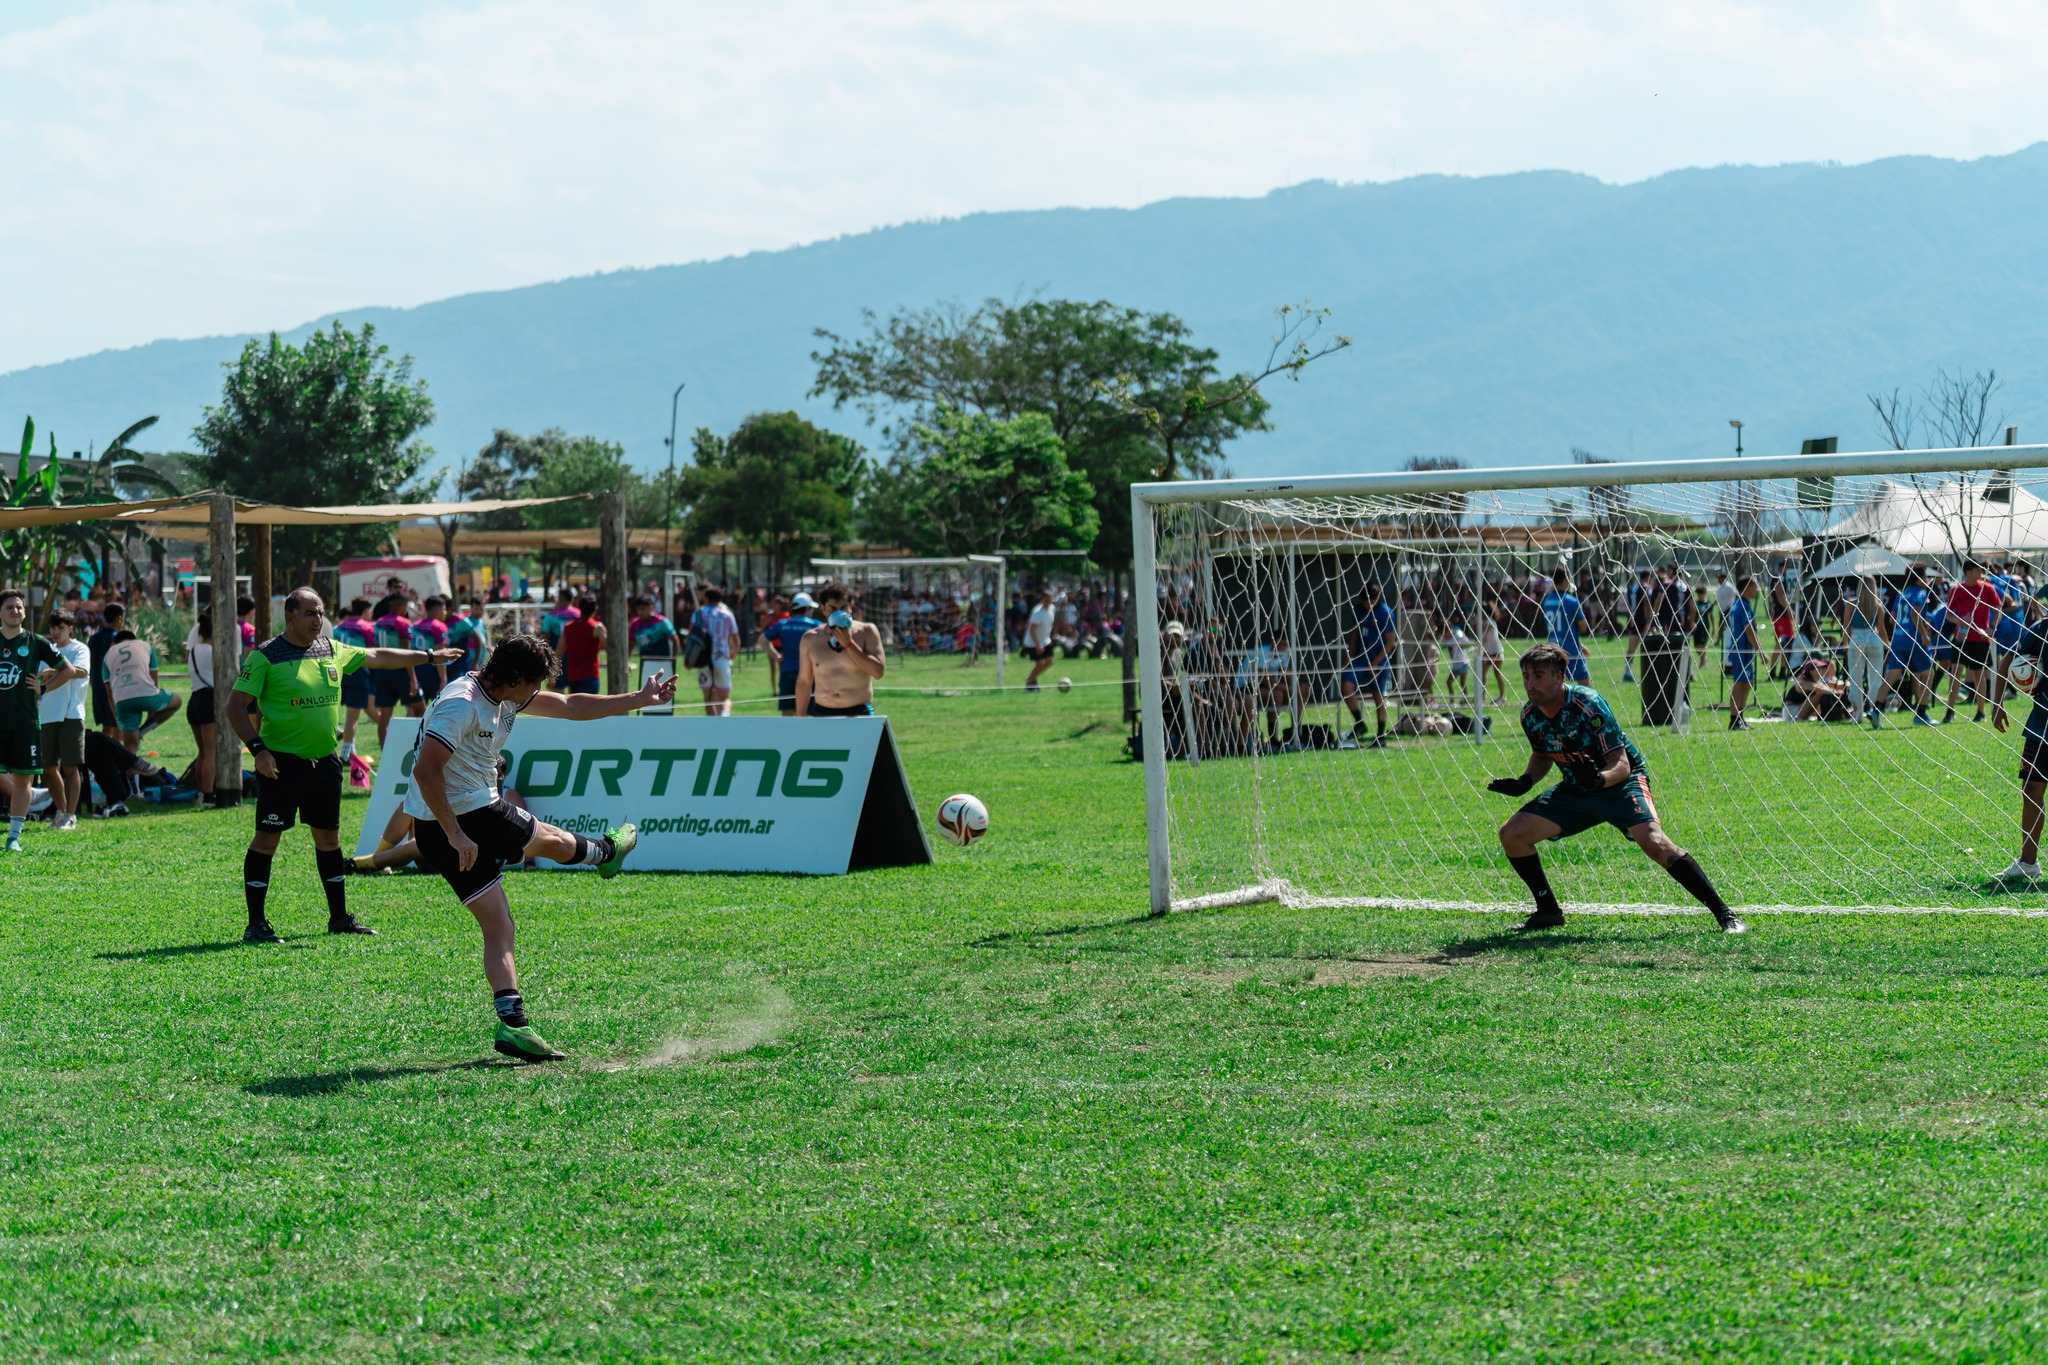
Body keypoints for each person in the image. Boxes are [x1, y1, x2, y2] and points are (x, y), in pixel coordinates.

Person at [404, 633, 673, 1061]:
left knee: (499, 925)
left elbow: (570, 706)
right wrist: (457, 832)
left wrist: (638, 699)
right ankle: (605, 853)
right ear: (515, 678)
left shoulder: (504, 692)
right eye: (536, 682)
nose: (539, 691)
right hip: (465, 816)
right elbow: (424, 769)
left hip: (440, 825)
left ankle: (513, 1026)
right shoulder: (463, 703)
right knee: (550, 839)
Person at [230, 588, 463, 945]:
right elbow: (235, 706)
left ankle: (338, 918)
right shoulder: (265, 656)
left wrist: (428, 657)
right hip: (281, 765)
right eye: (310, 613)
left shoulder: (331, 649)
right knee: (266, 840)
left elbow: (378, 656)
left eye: (320, 612)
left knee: (329, 840)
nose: (317, 620)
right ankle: (256, 924)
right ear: (289, 617)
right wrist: (258, 750)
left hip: (325, 764)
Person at [1487, 642, 1745, 934]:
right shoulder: (1530, 715)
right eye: (1525, 676)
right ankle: (1548, 911)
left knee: (1656, 844)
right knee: (1512, 834)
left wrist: (1598, 780)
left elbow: (1620, 764)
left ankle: (1725, 914)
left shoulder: (1587, 704)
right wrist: (1524, 782)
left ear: (1558, 677)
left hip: (1621, 784)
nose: (1530, 684)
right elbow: (1543, 754)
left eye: (1538, 676)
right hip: (1576, 789)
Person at [1, 591, 73, 850]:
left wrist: (44, 688)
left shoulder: (35, 641)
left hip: (25, 722)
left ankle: (13, 837)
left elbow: (68, 670)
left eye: (19, 607)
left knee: (23, 780)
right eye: (9, 607)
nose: (15, 611)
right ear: (0, 612)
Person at [36, 609, 91, 831]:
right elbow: (38, 677)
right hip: (46, 714)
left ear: (70, 628)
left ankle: (70, 815)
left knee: (70, 767)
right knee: (48, 768)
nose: (56, 632)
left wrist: (54, 671)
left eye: (60, 628)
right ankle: (61, 812)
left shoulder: (79, 648)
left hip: (71, 714)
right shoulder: (45, 650)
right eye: (52, 628)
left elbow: (81, 671)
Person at [794, 583, 886, 717]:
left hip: (858, 712)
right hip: (822, 712)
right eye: (832, 609)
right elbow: (804, 681)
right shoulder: (810, 639)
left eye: (843, 608)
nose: (838, 613)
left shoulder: (867, 631)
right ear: (824, 609)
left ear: (851, 607)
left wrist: (849, 644)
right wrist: (800, 718)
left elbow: (878, 672)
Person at [103, 628, 180, 751]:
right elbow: (153, 679)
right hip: (147, 696)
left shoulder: (108, 655)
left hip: (123, 701)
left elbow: (109, 693)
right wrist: (151, 713)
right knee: (177, 700)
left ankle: (130, 769)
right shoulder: (146, 646)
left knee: (130, 747)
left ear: (114, 642)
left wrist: (118, 718)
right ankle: (143, 730)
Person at [1944, 560, 2001, 725]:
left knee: (1978, 674)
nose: (1981, 574)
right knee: (1955, 673)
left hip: (1980, 639)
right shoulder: (1956, 590)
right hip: (1961, 638)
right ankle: (1950, 711)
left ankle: (1981, 711)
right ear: (1968, 572)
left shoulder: (1988, 589)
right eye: (1978, 570)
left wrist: (1992, 628)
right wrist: (1958, 620)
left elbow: (1998, 609)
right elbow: (1948, 614)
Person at [1339, 582, 1396, 747]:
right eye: (1365, 602)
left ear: (1376, 599)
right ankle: (1360, 723)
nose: (1367, 605)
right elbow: (1354, 633)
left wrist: (1375, 663)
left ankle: (1381, 735)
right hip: (1361, 657)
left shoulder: (1385, 612)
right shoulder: (1358, 610)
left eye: (1370, 601)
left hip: (1379, 658)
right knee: (1346, 687)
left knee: (1378, 695)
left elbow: (1391, 642)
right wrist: (1350, 655)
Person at [331, 598, 379, 785]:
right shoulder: (366, 627)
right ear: (366, 610)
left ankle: (390, 729)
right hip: (358, 673)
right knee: (353, 717)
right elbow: (374, 652)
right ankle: (345, 754)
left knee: (364, 709)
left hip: (339, 673)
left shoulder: (339, 626)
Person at [1885, 567, 1938, 727]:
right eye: (1926, 576)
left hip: (1899, 639)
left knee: (1894, 676)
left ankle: (1876, 707)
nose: (1928, 579)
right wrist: (1923, 632)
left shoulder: (1902, 594)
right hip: (1914, 640)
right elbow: (1914, 613)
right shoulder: (1920, 593)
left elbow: (1892, 619)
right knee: (1928, 673)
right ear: (1919, 579)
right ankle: (1921, 712)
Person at [1234, 629, 1303, 749]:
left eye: (1286, 645)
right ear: (1274, 642)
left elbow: (1286, 674)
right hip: (1244, 687)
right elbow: (1269, 683)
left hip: (1262, 687)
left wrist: (1300, 687)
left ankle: (1280, 735)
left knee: (1280, 694)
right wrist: (1293, 689)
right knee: (1277, 695)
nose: (1284, 647)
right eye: (1282, 644)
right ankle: (1269, 737)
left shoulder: (1284, 654)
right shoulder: (1261, 654)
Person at [761, 591, 822, 716]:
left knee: (788, 711)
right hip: (809, 674)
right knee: (812, 711)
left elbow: (762, 640)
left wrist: (777, 656)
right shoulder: (816, 626)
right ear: (808, 609)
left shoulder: (783, 624)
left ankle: (788, 735)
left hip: (787, 672)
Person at [369, 594, 419, 741]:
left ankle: (385, 754)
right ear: (402, 606)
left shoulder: (378, 623)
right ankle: (413, 746)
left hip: (382, 672)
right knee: (419, 709)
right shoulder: (403, 623)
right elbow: (407, 653)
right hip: (400, 671)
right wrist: (413, 678)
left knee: (385, 716)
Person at [1842, 577, 1890, 728]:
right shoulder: (1878, 606)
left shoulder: (1851, 604)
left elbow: (1846, 627)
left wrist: (1845, 644)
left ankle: (1857, 714)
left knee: (1856, 678)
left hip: (1856, 639)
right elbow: (1881, 630)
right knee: (1875, 679)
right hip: (1874, 638)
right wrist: (1888, 645)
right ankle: (1875, 710)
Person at [185, 613, 219, 804]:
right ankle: (208, 794)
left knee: (203, 752)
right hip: (208, 700)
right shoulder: (213, 651)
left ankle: (201, 792)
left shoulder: (195, 649)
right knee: (211, 752)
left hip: (195, 700)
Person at [690, 586, 739, 715]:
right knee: (725, 698)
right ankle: (725, 716)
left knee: (708, 699)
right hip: (721, 657)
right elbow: (736, 639)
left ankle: (713, 727)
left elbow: (691, 635)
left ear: (706, 598)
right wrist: (733, 652)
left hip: (703, 659)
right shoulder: (728, 614)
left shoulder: (699, 613)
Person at [1541, 567, 1590, 683]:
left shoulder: (1546, 601)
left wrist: (1581, 644)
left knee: (1557, 682)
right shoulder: (1571, 601)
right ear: (1566, 580)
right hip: (1570, 648)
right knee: (1584, 681)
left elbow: (1559, 626)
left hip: (1552, 647)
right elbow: (1583, 627)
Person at [1726, 575, 1760, 730]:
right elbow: (1749, 630)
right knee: (1740, 683)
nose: (1757, 590)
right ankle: (1734, 719)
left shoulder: (1737, 604)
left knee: (1748, 682)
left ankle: (1739, 716)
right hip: (1742, 650)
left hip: (1739, 650)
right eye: (1754, 586)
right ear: (1747, 587)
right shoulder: (1743, 607)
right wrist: (1760, 650)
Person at [86, 600, 124, 739]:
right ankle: (117, 755)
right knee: (118, 725)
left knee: (106, 727)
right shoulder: (117, 639)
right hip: (113, 687)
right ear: (119, 618)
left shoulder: (93, 638)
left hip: (97, 687)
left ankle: (105, 755)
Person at [410, 595, 454, 712]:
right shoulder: (439, 626)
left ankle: (410, 730)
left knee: (415, 709)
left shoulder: (415, 626)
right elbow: (440, 654)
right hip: (432, 671)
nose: (445, 613)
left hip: (417, 669)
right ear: (436, 610)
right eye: (444, 609)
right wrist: (443, 680)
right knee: (441, 708)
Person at [558, 595, 605, 694]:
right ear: (595, 609)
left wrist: (552, 674)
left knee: (575, 708)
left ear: (579, 608)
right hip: (590, 674)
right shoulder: (596, 627)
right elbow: (609, 648)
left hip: (573, 676)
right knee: (589, 708)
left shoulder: (568, 627)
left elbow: (559, 651)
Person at [1023, 589, 1057, 692]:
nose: (1047, 601)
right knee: (1040, 664)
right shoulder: (1037, 613)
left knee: (1049, 662)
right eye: (1045, 599)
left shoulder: (1052, 608)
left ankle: (1031, 679)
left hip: (1045, 641)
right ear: (1041, 600)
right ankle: (1030, 683)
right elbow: (1032, 630)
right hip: (1033, 642)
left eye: (1049, 599)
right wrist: (1038, 645)